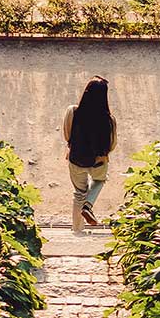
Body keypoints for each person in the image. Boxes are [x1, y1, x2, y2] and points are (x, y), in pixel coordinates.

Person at [63, 75, 117, 232]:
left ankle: (77, 230)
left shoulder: (73, 112)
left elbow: (67, 134)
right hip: (98, 161)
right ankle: (89, 205)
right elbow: (112, 145)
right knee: (99, 181)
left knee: (79, 193)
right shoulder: (109, 120)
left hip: (76, 159)